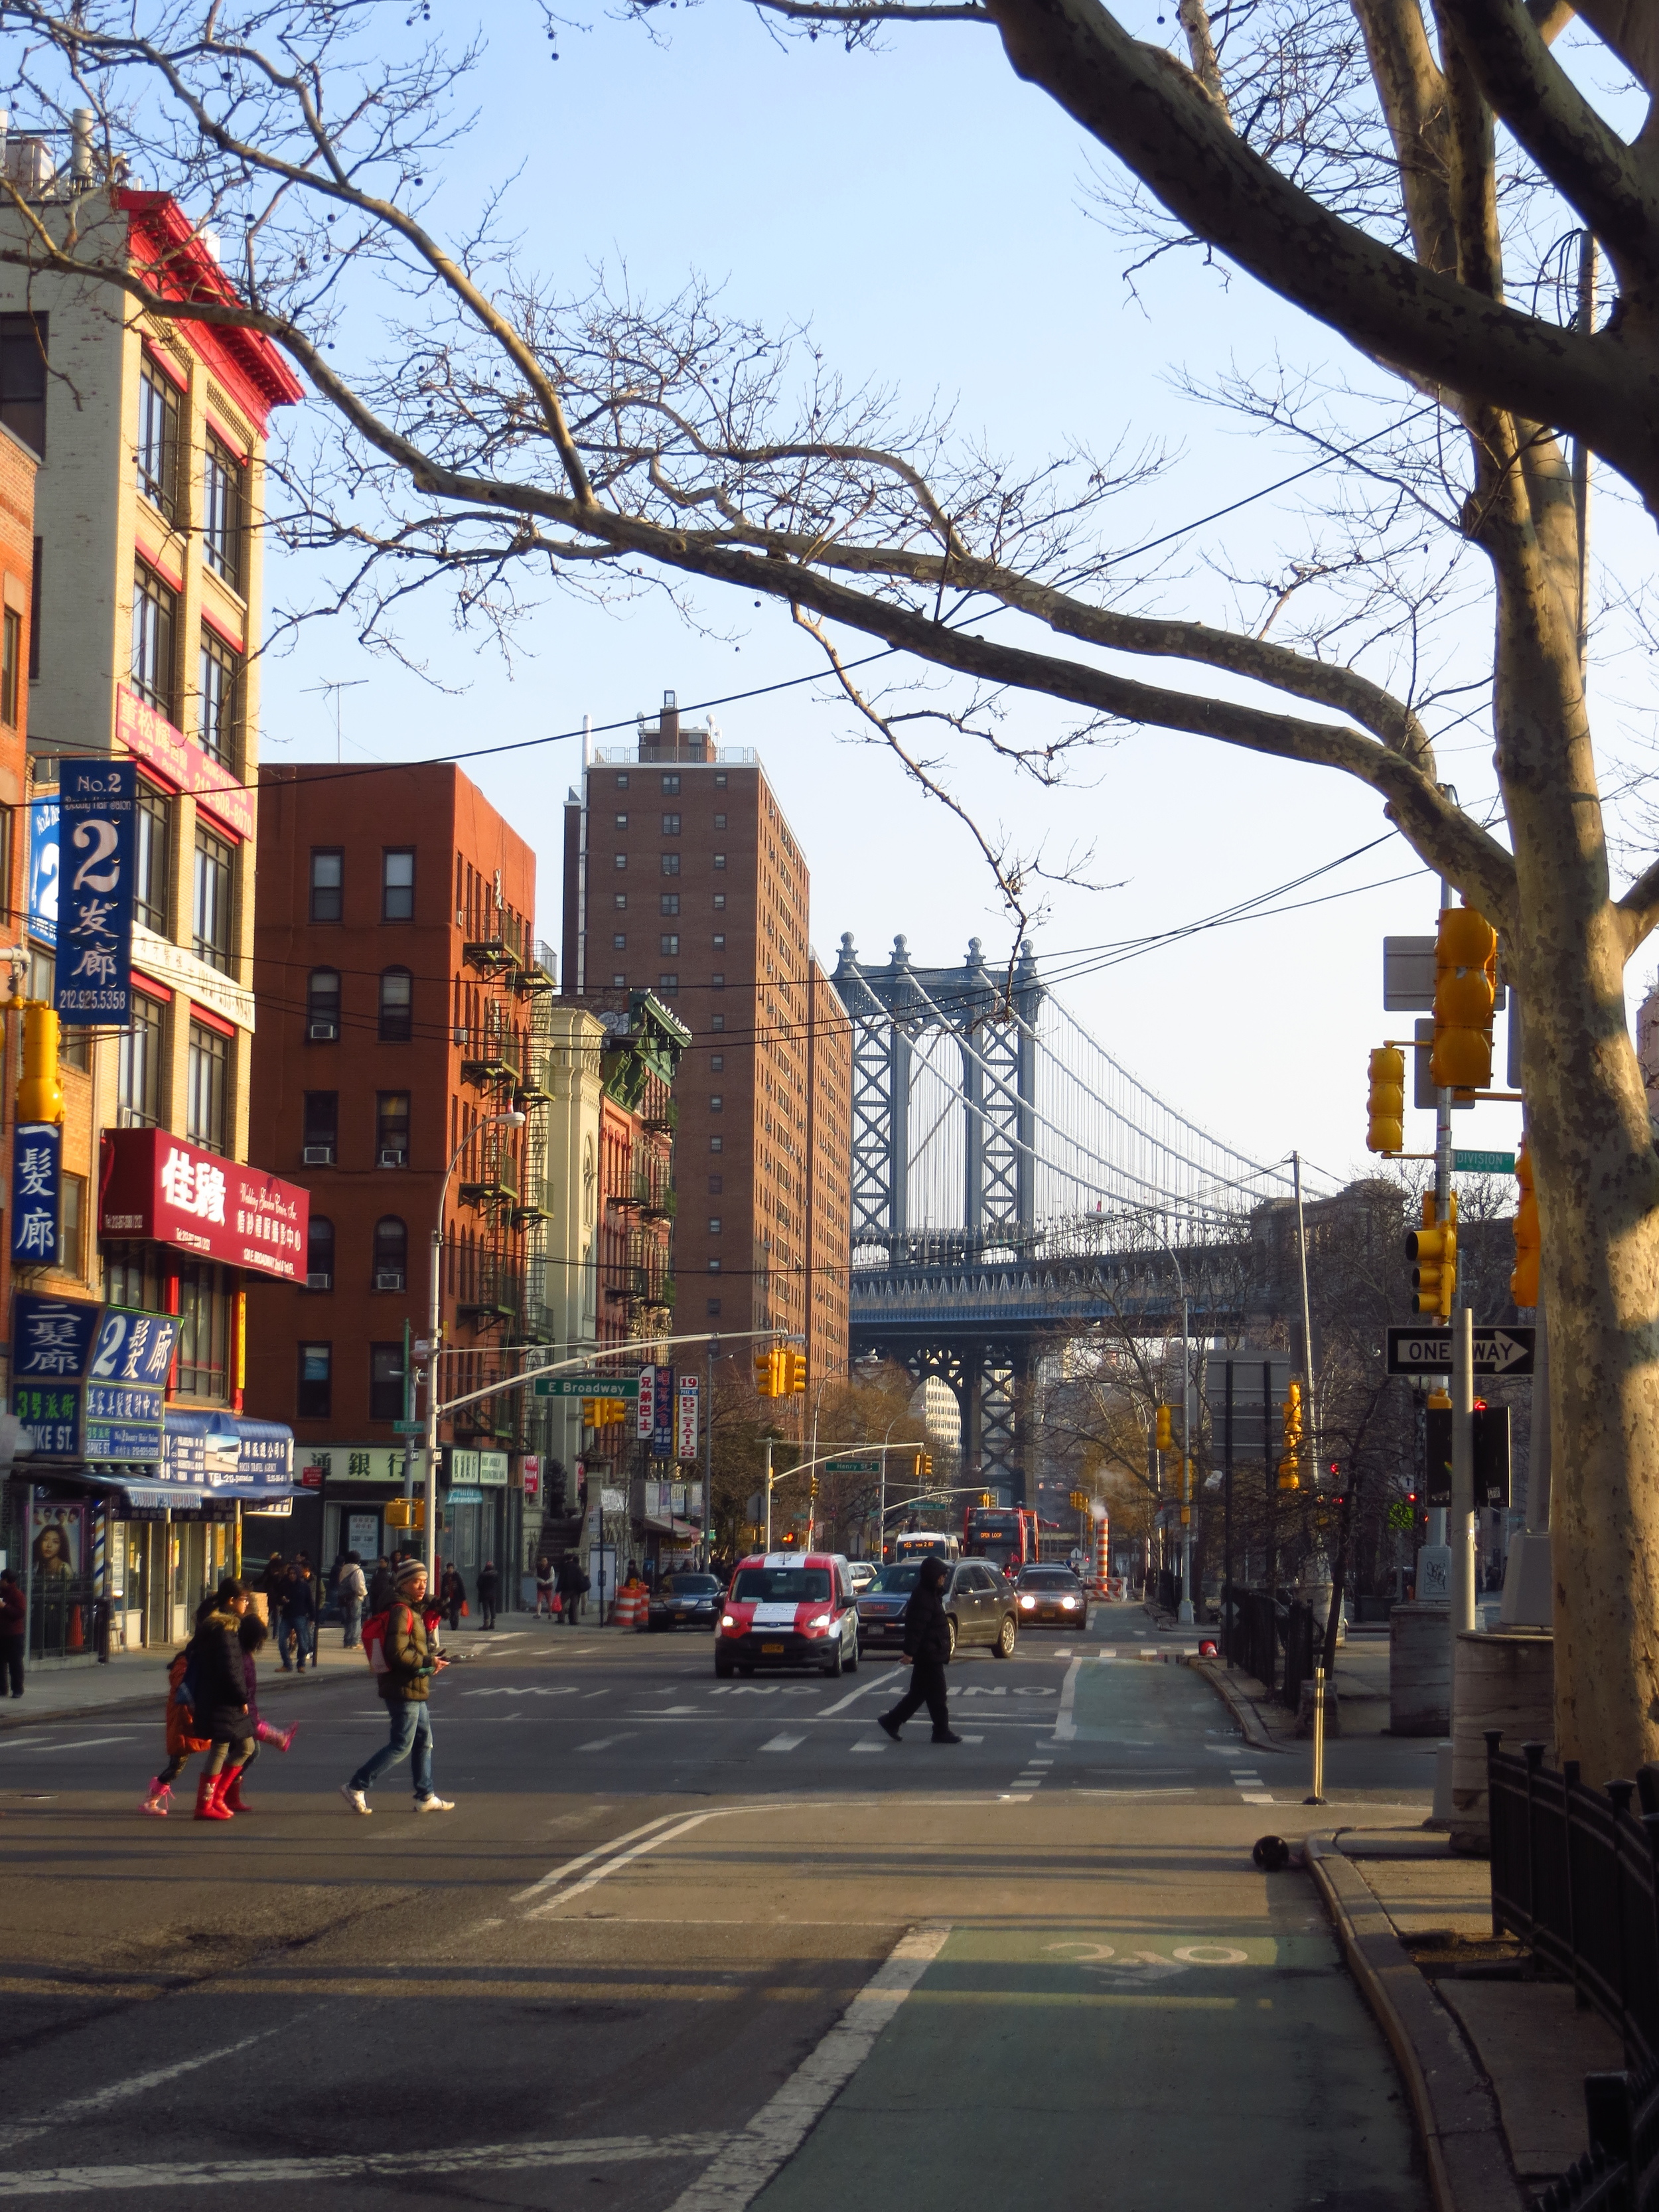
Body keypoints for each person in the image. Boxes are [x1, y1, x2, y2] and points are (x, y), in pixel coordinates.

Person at [340, 1558, 454, 1814]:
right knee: (402, 1745)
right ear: (403, 1583)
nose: (422, 1586)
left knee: (424, 1740)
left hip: (412, 1684)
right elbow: (397, 1653)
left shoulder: (409, 1608)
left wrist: (431, 1661)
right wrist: (427, 1660)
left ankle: (426, 1795)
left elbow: (409, 1649)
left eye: (424, 1581)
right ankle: (356, 1785)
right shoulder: (402, 1611)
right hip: (402, 1687)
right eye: (416, 1581)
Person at [188, 1578, 259, 1820]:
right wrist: (242, 1698)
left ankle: (216, 1798)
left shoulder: (224, 1626)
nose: (246, 1604)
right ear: (231, 1600)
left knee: (245, 1747)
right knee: (223, 1748)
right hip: (223, 1698)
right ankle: (207, 1803)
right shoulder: (225, 1629)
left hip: (219, 1696)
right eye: (244, 1600)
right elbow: (231, 1668)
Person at [877, 1555, 962, 1745]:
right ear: (933, 1576)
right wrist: (909, 1652)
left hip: (930, 1652)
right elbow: (917, 1627)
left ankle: (892, 1721)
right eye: (941, 1576)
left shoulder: (929, 1594)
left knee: (919, 1694)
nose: (943, 1579)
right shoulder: (924, 1597)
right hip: (929, 1654)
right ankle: (941, 1731)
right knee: (938, 1696)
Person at [279, 1561, 319, 1672]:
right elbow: (279, 1597)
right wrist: (282, 1600)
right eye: (290, 1573)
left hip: (300, 1616)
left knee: (303, 1643)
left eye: (294, 1573)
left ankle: (301, 1664)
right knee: (282, 1641)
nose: (292, 1576)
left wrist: (312, 1617)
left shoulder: (304, 1586)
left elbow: (310, 1602)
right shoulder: (285, 1585)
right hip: (287, 1616)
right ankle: (287, 1664)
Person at [0, 1568, 24, 1699]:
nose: (0, 1581)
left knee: (15, 1663)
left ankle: (18, 1689)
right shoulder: (1, 1592)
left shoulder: (17, 1595)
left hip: (14, 1634)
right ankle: (2, 1688)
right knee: (0, 1664)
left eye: (2, 1579)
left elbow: (20, 1613)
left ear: (7, 1581)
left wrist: (5, 1607)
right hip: (2, 1634)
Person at [337, 1551, 368, 1649]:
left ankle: (347, 1641)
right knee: (356, 1619)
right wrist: (364, 1594)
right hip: (354, 1598)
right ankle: (354, 1642)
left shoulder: (343, 1569)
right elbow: (359, 1586)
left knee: (347, 1620)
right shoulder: (357, 1571)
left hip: (344, 1598)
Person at [555, 1549, 586, 1627]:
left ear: (566, 1559)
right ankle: (575, 1620)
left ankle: (561, 1619)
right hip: (575, 1590)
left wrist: (558, 1589)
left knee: (562, 1603)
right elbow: (581, 1578)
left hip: (566, 1589)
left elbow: (561, 1579)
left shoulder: (564, 1567)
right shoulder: (577, 1567)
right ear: (572, 1559)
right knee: (575, 1605)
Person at [441, 1561, 467, 1632]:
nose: (450, 1569)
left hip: (456, 1598)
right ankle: (452, 1624)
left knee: (455, 1612)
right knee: (451, 1612)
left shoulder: (457, 1576)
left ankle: (455, 1625)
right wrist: (442, 1598)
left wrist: (463, 1598)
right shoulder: (445, 1577)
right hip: (448, 1598)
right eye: (449, 1568)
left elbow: (461, 1587)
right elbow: (443, 1588)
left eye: (451, 1568)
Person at [476, 1560, 500, 1632]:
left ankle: (486, 1624)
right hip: (493, 1594)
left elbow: (478, 1584)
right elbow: (497, 1582)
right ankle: (493, 1623)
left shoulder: (482, 1575)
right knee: (493, 1608)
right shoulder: (495, 1574)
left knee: (486, 1608)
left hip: (485, 1593)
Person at [534, 1554, 555, 1618]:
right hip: (541, 1587)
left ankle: (550, 1614)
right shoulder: (538, 1568)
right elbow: (535, 1577)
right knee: (539, 1601)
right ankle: (538, 1614)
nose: (544, 1562)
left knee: (549, 1601)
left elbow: (552, 1577)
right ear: (541, 1562)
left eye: (545, 1561)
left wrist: (547, 1582)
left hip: (548, 1587)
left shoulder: (551, 1568)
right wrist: (542, 1581)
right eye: (543, 1561)